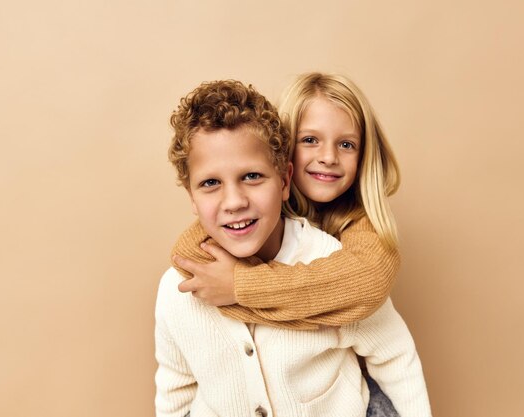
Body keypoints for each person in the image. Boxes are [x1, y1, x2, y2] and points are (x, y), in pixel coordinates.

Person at [155, 80, 431, 417]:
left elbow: (384, 326)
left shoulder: (349, 241)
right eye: (310, 140)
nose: (234, 201)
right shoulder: (182, 284)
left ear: (283, 180)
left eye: (346, 144)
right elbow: (175, 388)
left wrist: (239, 286)